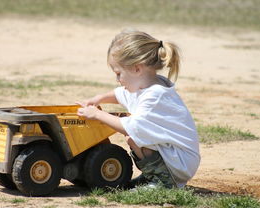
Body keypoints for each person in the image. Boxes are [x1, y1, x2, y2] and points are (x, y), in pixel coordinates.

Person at [77, 29, 200, 189]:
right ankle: (152, 176)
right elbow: (120, 94)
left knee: (133, 135)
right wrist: (98, 99)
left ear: (137, 69)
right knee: (134, 138)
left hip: (180, 162)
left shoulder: (154, 96)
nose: (118, 80)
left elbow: (130, 126)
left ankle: (163, 182)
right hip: (175, 157)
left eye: (118, 73)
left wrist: (98, 114)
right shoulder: (147, 86)